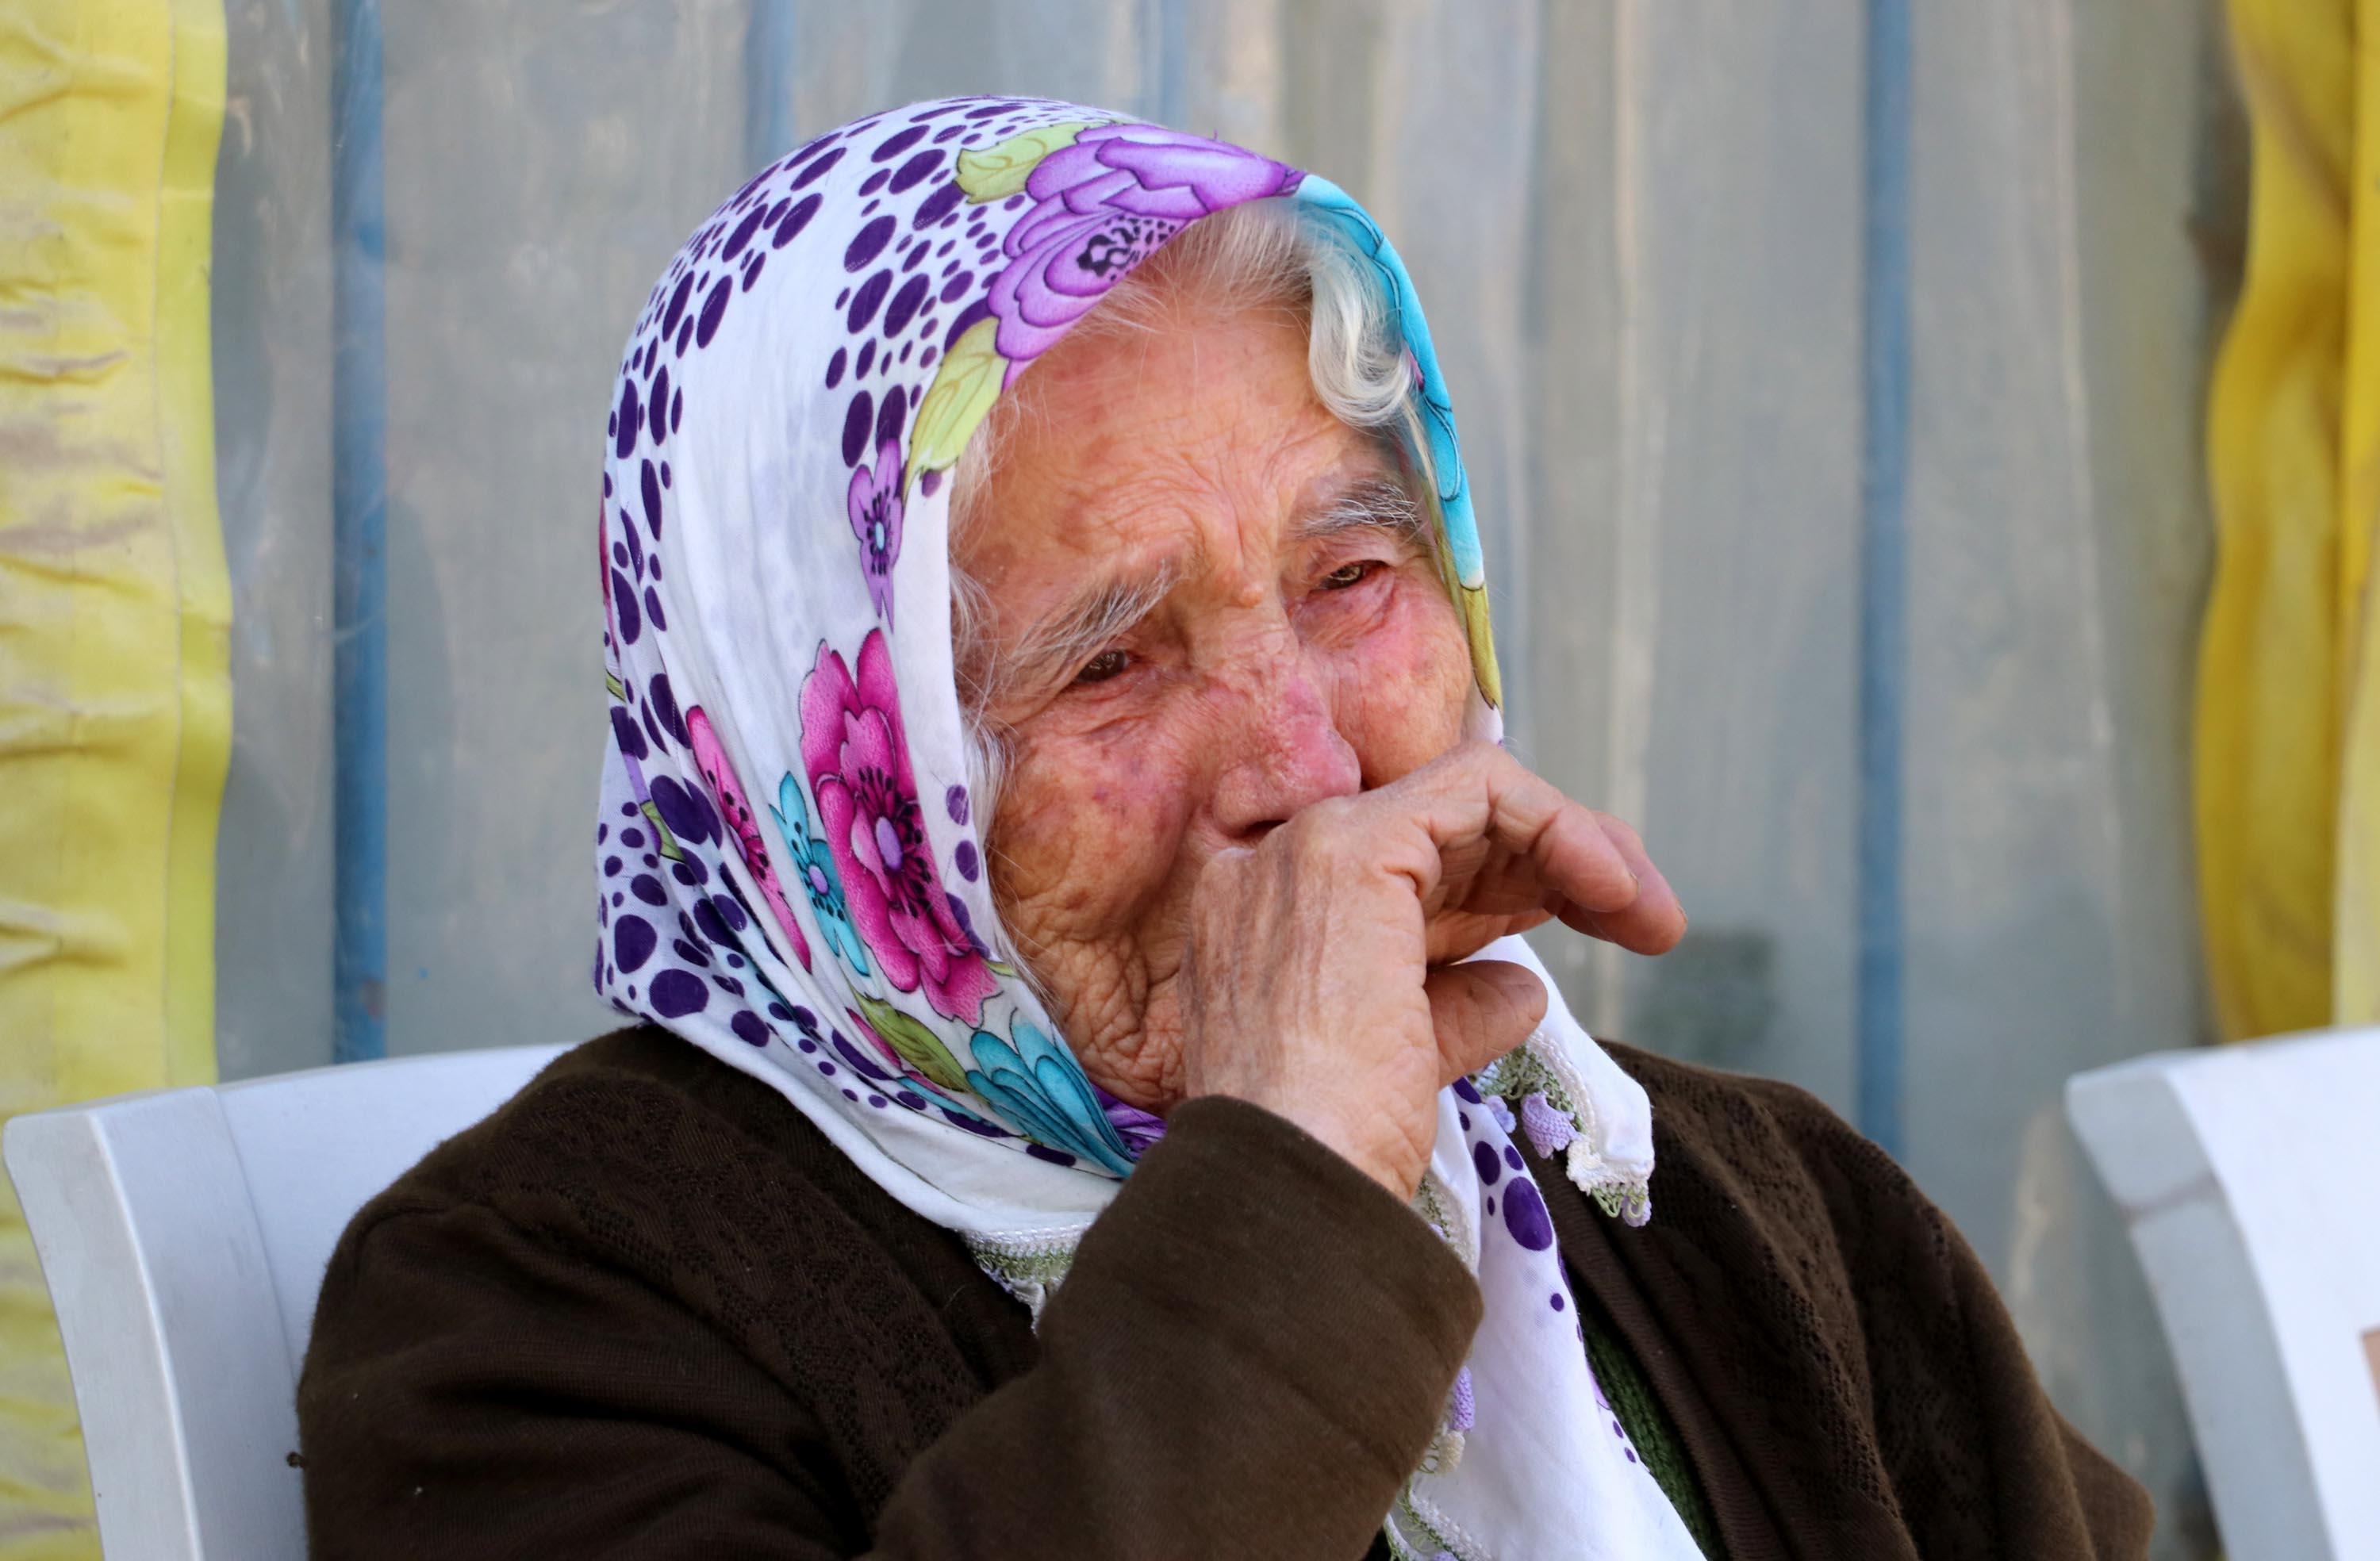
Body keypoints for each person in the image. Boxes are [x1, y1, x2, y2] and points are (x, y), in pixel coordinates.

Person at [298, 98, 2152, 1560]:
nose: (1307, 763)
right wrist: (1295, 1183)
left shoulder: (1745, 1199)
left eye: (1355, 575)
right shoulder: (544, 1307)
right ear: (834, 777)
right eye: (1110, 663)